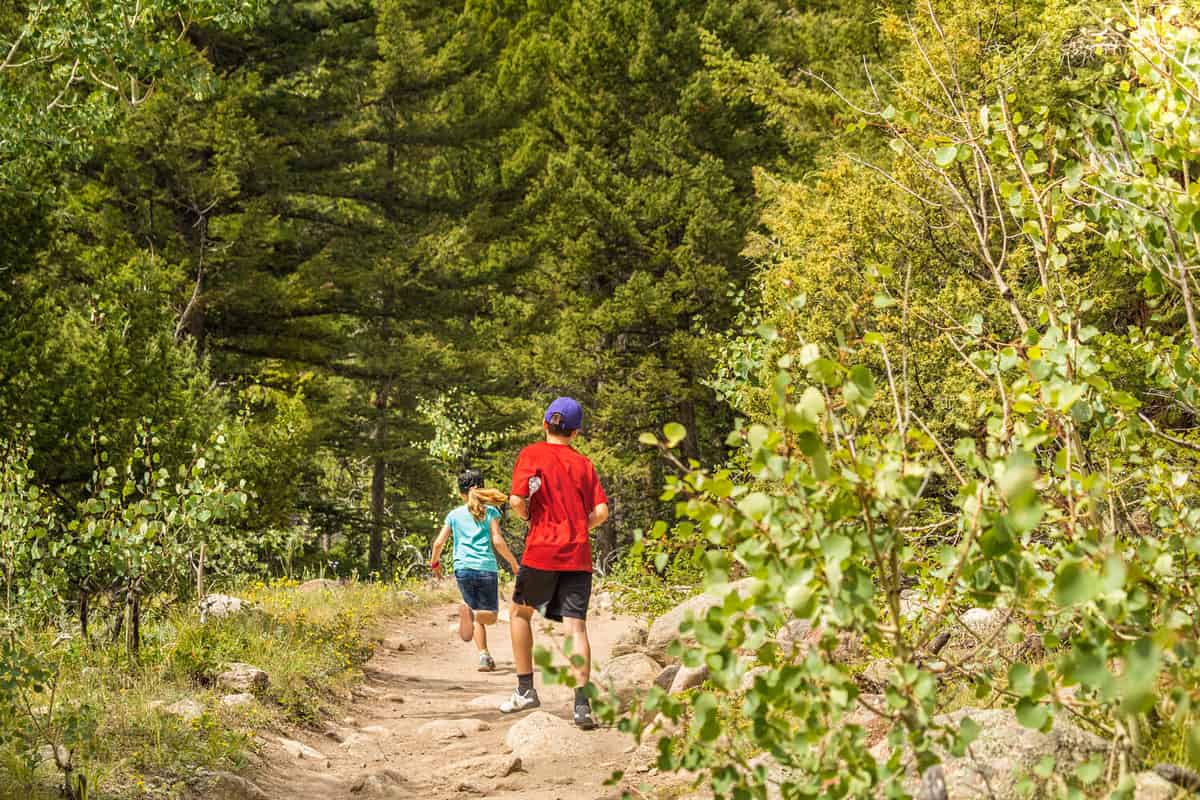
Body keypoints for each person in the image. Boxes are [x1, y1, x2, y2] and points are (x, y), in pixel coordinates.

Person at [500, 397, 609, 729]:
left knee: (520, 614)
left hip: (541, 551)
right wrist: (578, 527)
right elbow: (602, 512)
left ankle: (525, 690)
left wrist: (529, 515)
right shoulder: (584, 464)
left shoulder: (532, 454)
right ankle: (582, 706)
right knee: (575, 627)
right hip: (577, 554)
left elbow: (517, 499)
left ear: (545, 423)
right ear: (575, 433)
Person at [430, 469, 520, 672]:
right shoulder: (491, 513)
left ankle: (484, 656)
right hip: (485, 568)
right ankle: (472, 617)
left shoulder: (454, 515)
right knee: (490, 616)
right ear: (482, 488)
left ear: (461, 492)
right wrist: (514, 562)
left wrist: (435, 564)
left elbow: (438, 543)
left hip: (462, 569)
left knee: (474, 610)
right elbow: (497, 541)